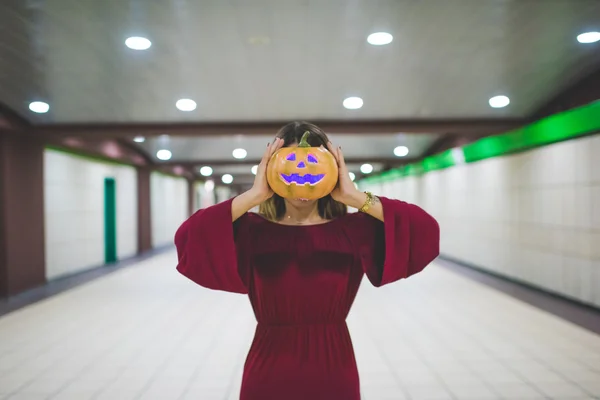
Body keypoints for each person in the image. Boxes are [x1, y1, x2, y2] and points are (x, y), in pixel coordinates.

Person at [174, 121, 440, 400]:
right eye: (288, 162)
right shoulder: (252, 230)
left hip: (333, 366)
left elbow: (425, 231)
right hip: (268, 366)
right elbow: (188, 240)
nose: (301, 171)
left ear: (333, 168)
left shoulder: (351, 229)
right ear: (270, 168)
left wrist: (354, 196)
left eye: (314, 162)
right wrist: (253, 196)